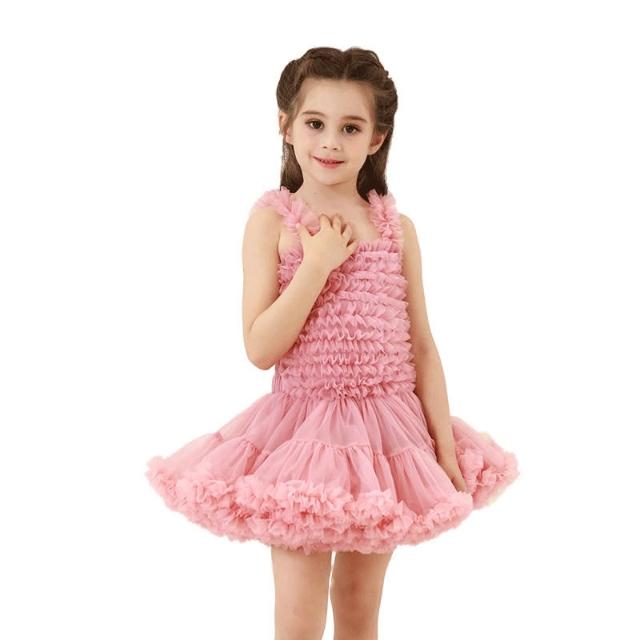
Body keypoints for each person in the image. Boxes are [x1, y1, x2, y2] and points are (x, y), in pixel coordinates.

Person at [146, 46, 519, 639]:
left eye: (350, 128)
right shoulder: (274, 221)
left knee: (359, 608)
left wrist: (445, 452)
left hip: (386, 441)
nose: (330, 142)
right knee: (298, 617)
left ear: (377, 138)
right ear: (286, 125)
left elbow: (423, 347)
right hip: (302, 438)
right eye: (315, 123)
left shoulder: (396, 228)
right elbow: (260, 347)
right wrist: (316, 265)